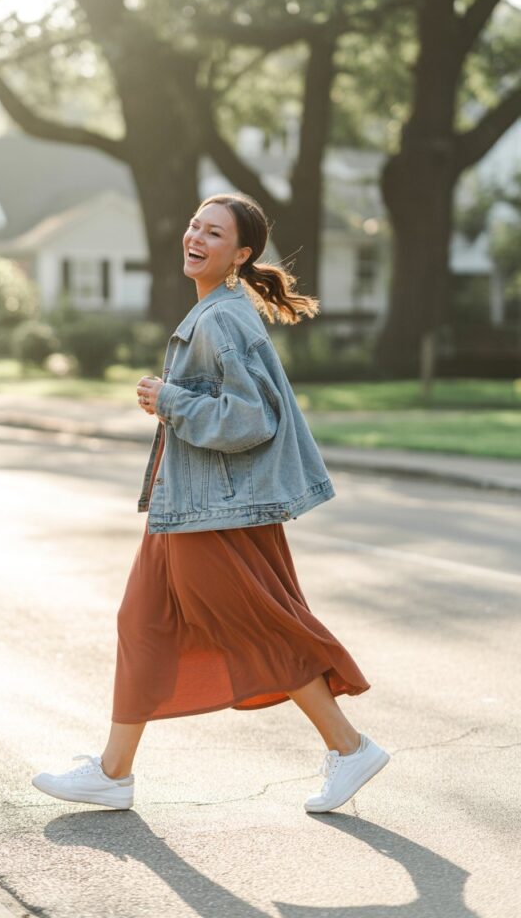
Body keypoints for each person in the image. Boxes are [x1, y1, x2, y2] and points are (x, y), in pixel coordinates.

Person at [32, 192, 390, 814]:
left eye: (214, 233)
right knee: (140, 621)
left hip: (213, 514)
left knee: (253, 626)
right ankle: (113, 774)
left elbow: (252, 419)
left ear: (240, 254)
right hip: (186, 506)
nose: (196, 237)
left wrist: (168, 399)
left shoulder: (222, 318)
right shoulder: (216, 311)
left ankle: (349, 745)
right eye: (195, 224)